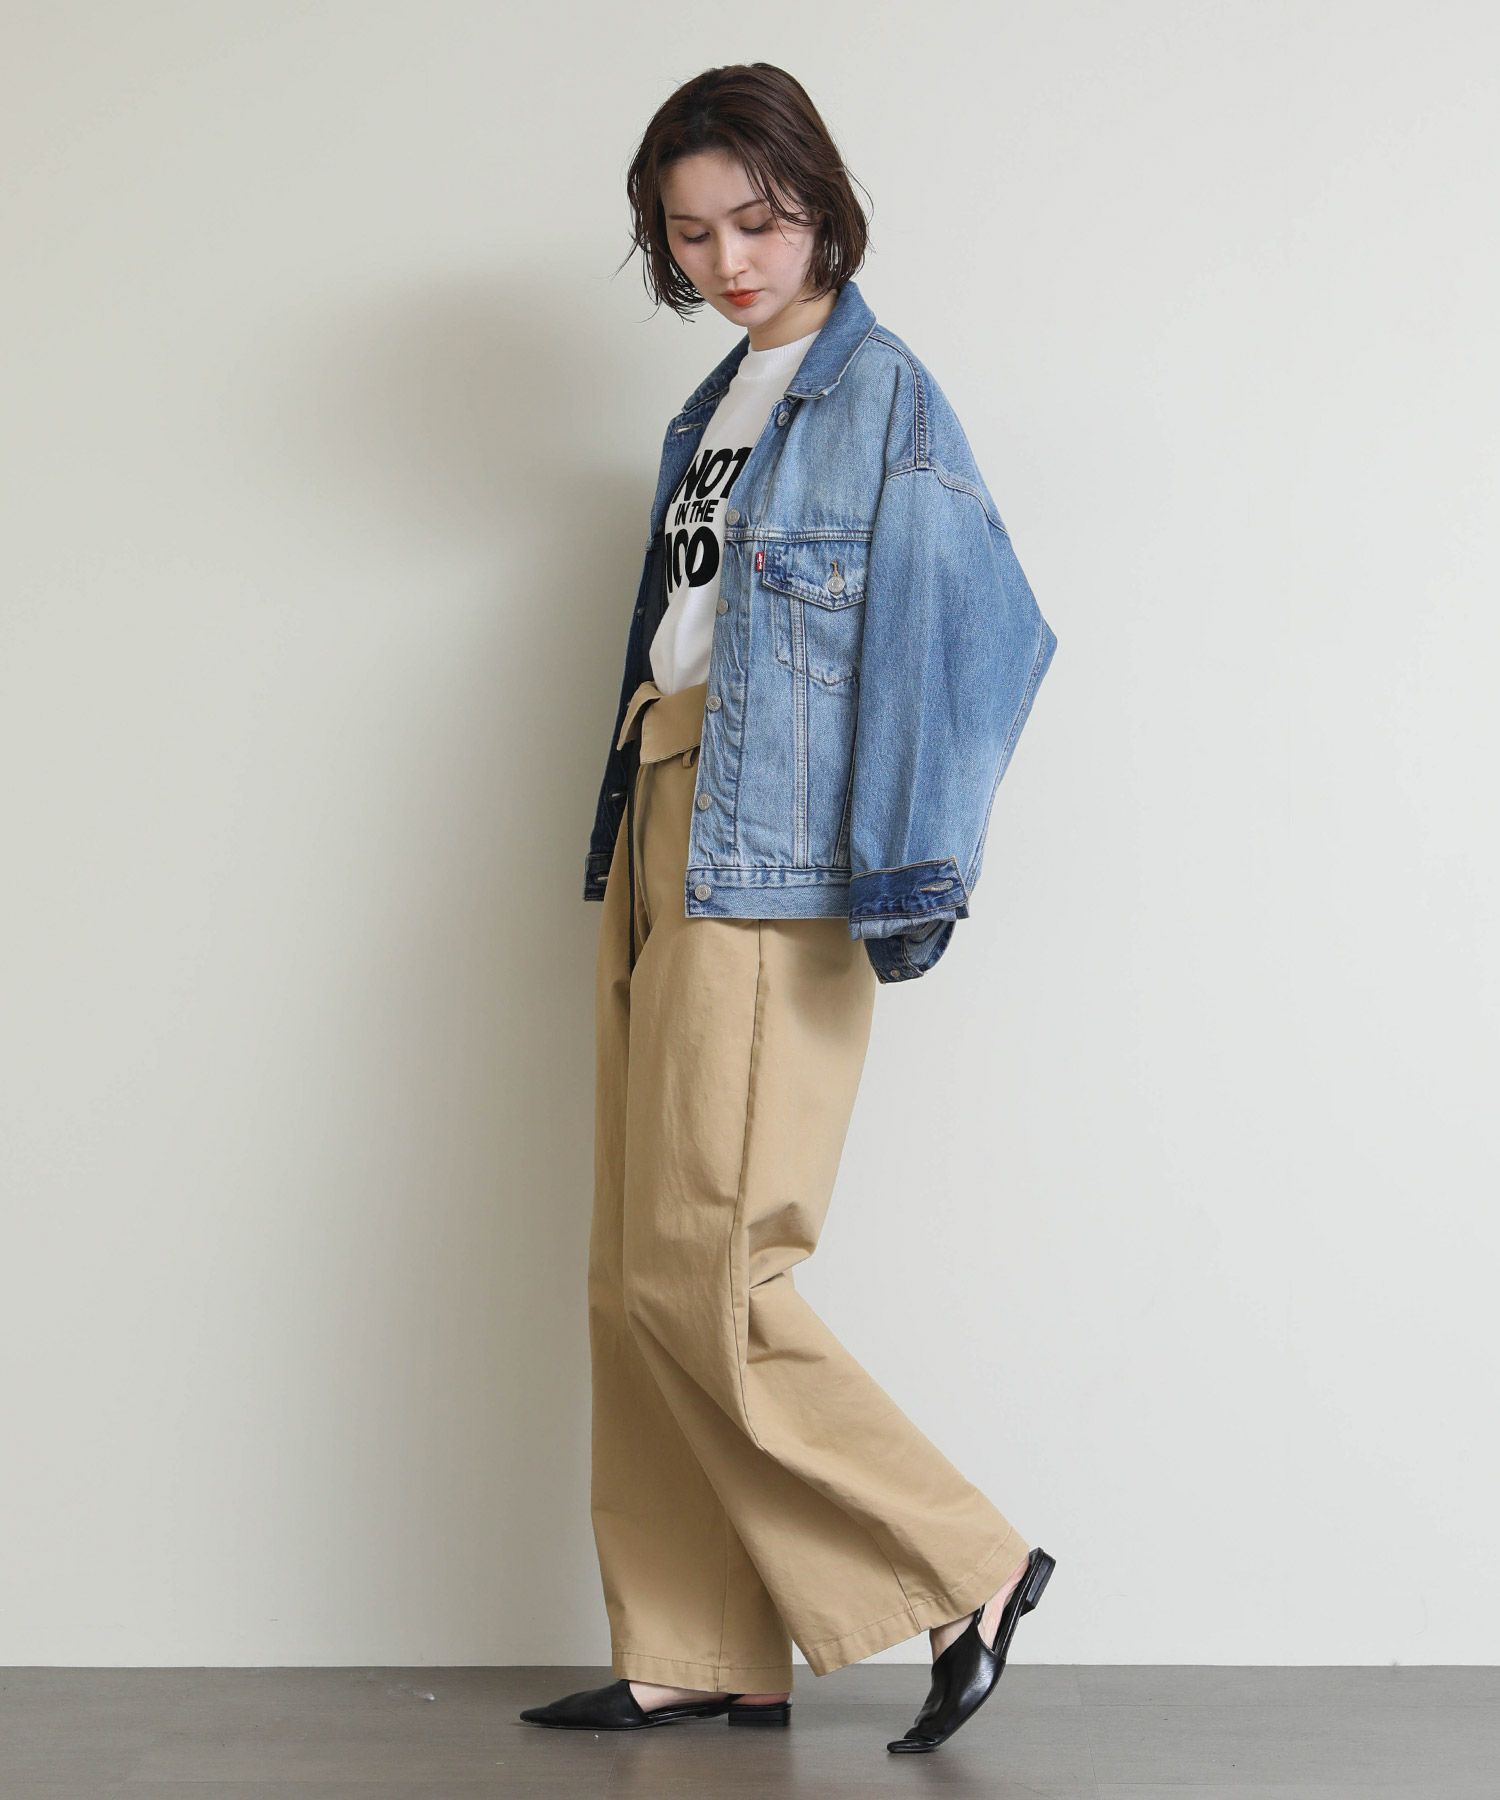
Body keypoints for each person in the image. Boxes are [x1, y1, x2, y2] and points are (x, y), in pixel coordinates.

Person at [521, 63, 1059, 1755]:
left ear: (821, 205)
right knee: (634, 1270)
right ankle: (700, 1645)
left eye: (756, 222)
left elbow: (978, 638)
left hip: (770, 853)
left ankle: (965, 1563)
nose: (728, 262)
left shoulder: (883, 397)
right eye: (691, 236)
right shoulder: (717, 403)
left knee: (711, 1263)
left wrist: (904, 872)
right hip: (661, 807)